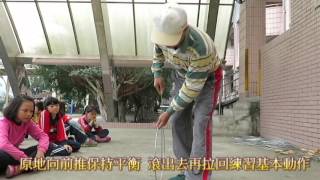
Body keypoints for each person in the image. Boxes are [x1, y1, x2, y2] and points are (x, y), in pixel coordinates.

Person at [151, 4, 223, 180]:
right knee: (178, 120)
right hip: (182, 74)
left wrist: (168, 111)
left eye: (171, 39)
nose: (166, 42)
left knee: (200, 126)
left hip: (207, 79)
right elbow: (159, 50)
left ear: (184, 29)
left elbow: (191, 89)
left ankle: (198, 176)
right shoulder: (162, 32)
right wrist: (158, 72)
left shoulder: (201, 48)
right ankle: (186, 170)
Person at [0, 95, 69, 178]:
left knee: (49, 146)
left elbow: (43, 136)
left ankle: (20, 168)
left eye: (31, 111)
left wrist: (41, 151)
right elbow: (3, 144)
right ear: (15, 109)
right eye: (25, 110)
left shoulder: (27, 123)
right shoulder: (4, 122)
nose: (29, 114)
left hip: (16, 155)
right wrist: (24, 158)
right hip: (4, 153)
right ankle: (31, 165)